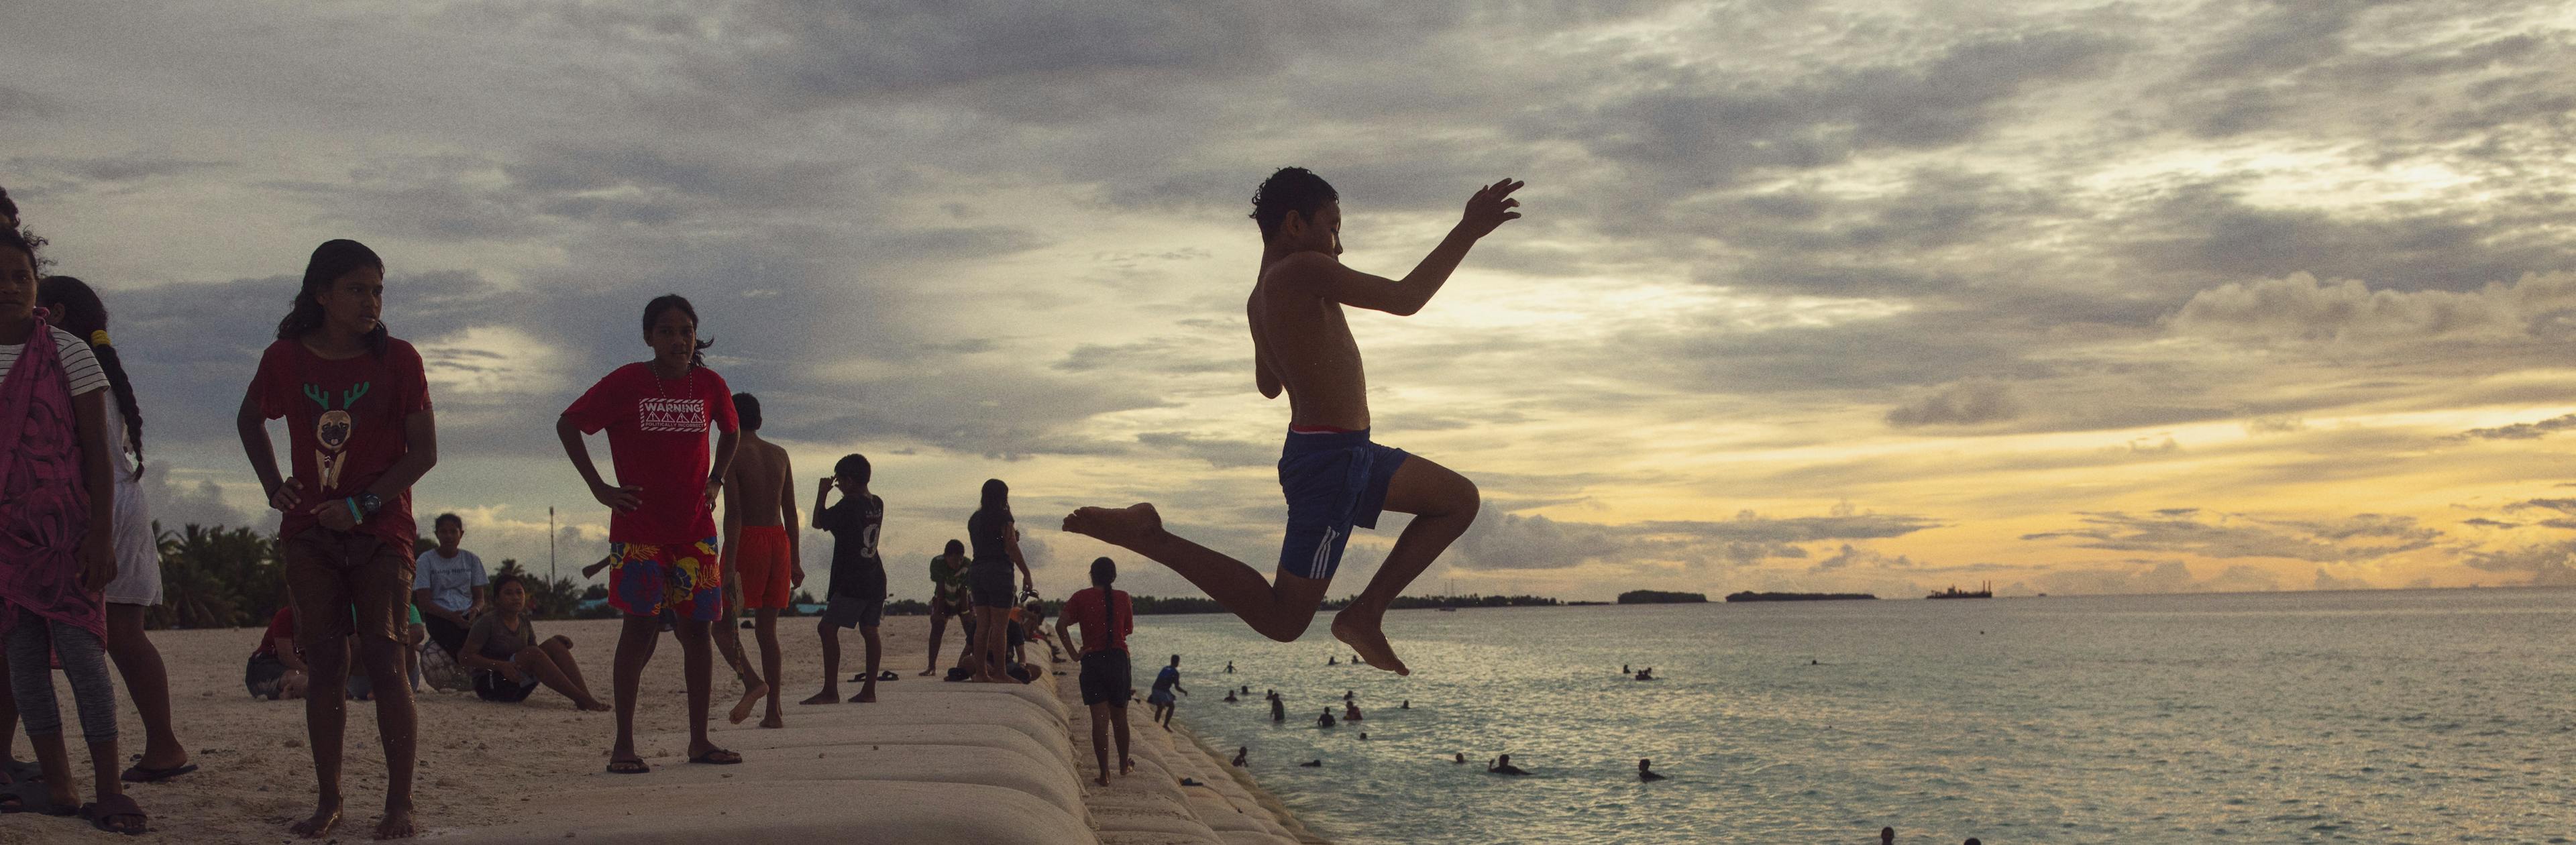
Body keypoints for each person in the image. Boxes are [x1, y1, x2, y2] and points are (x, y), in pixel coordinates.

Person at [1063, 173, 1519, 677]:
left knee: (1459, 500)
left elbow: (1268, 384)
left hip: (1348, 452)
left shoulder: (1262, 294)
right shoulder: (1302, 270)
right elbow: (1406, 297)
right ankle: (1151, 536)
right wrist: (1468, 230)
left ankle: (1366, 614)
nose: (1340, 247)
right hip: (1330, 463)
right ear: (1296, 225)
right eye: (1334, 228)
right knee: (1283, 619)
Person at [237, 239, 433, 839]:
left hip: (382, 530)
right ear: (322, 294)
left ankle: (399, 803)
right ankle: (330, 802)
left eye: (377, 290)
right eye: (357, 289)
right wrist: (276, 486)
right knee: (325, 663)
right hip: (308, 533)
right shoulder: (285, 359)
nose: (371, 301)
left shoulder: (399, 359)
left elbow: (423, 453)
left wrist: (363, 504)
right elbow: (250, 419)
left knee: (386, 656)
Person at [557, 294, 743, 775]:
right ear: (649, 337)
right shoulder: (628, 382)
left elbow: (732, 430)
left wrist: (718, 477)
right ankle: (623, 744)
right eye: (666, 331)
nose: (678, 340)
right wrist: (600, 488)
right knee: (637, 630)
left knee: (697, 632)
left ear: (695, 336)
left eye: (686, 331)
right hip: (639, 530)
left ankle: (699, 741)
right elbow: (569, 423)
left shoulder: (710, 385)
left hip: (695, 532)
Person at [0, 233, 140, 835]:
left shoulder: (69, 352)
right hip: (4, 542)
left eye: (20, 277)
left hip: (67, 534)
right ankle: (59, 783)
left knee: (85, 656)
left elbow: (97, 456)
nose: (9, 287)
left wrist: (101, 536)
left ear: (37, 284)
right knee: (23, 662)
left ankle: (108, 787)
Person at [37, 275, 191, 784]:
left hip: (95, 507)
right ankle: (163, 744)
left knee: (23, 633)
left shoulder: (63, 362)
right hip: (123, 502)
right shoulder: (99, 364)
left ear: (53, 314)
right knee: (126, 636)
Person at [717, 392, 799, 727]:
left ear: (730, 423)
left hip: (747, 542)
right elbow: (791, 512)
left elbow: (733, 515)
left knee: (721, 628)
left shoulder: (732, 455)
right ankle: (774, 711)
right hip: (778, 542)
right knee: (768, 631)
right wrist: (796, 560)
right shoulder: (780, 454)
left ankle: (753, 681)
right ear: (761, 421)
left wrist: (729, 563)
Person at [455, 575, 608, 710]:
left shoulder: (523, 620)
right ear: (496, 600)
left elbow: (536, 654)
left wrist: (556, 645)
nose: (515, 597)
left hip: (518, 684)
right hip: (492, 685)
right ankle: (582, 699)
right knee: (534, 653)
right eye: (508, 593)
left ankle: (585, 698)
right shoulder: (487, 622)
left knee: (554, 645)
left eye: (519, 593)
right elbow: (465, 657)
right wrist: (501, 666)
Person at [804, 453, 883, 706]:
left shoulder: (849, 504)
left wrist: (822, 493)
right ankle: (869, 689)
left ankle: (830, 690)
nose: (837, 487)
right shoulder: (877, 503)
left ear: (848, 481)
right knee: (870, 630)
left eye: (839, 482)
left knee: (827, 628)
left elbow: (818, 522)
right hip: (875, 576)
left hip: (853, 579)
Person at [1057, 556, 1135, 787]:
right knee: (1120, 717)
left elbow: (1060, 625)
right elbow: (1127, 630)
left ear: (1092, 575)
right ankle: (1123, 765)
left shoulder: (1081, 597)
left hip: (1093, 660)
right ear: (1114, 577)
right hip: (1118, 660)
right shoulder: (1123, 598)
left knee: (1099, 720)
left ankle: (1104, 774)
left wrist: (1073, 653)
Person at [963, 480, 1033, 683]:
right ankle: (1001, 672)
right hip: (999, 572)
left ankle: (982, 673)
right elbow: (1011, 546)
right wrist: (1026, 573)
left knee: (983, 625)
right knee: (1000, 627)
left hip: (977, 571)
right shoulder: (1004, 517)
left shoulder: (974, 519)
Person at [411, 513, 486, 663]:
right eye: (443, 532)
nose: (448, 536)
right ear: (436, 534)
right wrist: (452, 617)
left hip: (469, 614)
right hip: (440, 617)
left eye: (453, 532)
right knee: (461, 648)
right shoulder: (425, 561)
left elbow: (480, 598)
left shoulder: (471, 560)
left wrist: (475, 610)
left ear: (461, 534)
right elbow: (424, 602)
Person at [922, 540, 969, 675]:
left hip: (962, 597)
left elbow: (965, 590)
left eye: (960, 560)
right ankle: (931, 666)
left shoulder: (967, 564)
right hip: (944, 596)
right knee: (938, 625)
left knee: (970, 628)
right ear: (946, 557)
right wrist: (938, 612)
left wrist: (965, 611)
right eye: (954, 560)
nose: (957, 564)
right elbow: (940, 588)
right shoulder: (937, 563)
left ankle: (975, 663)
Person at [246, 606, 311, 700]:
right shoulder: (287, 615)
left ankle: (291, 691)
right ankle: (297, 688)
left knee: (301, 678)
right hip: (264, 666)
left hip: (294, 670)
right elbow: (286, 657)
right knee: (299, 678)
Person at [1147, 655, 1187, 730]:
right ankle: (1165, 725)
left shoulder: (1165, 668)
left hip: (1155, 689)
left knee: (1160, 708)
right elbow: (1177, 687)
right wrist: (1184, 691)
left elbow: (1161, 681)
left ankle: (1156, 723)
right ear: (1178, 662)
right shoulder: (1175, 673)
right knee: (1172, 706)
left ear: (1171, 661)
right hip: (1162, 691)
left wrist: (1170, 694)